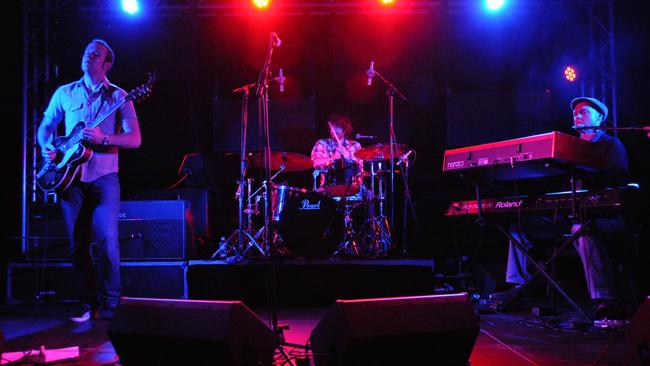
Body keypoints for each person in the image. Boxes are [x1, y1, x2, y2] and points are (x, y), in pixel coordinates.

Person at [491, 97, 629, 320]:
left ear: (600, 117)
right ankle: (517, 287)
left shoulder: (611, 145)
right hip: (570, 215)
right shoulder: (567, 147)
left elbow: (619, 178)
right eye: (575, 113)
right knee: (519, 225)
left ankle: (605, 299)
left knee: (580, 228)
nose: (577, 115)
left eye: (583, 112)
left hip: (606, 217)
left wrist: (587, 169)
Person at [37, 39, 141, 322]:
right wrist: (47, 147)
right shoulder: (65, 93)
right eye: (86, 52)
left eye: (95, 55)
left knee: (107, 241)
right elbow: (46, 126)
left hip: (104, 176)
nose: (88, 56)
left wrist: (104, 138)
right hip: (69, 178)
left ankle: (110, 306)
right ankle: (87, 302)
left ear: (107, 64)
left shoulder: (119, 96)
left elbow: (135, 138)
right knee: (77, 244)